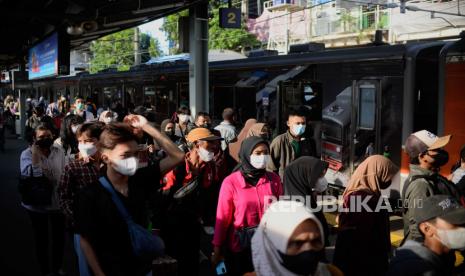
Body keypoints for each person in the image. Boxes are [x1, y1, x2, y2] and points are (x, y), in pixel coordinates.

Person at [75, 117, 184, 276]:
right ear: (106, 158)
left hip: (142, 268)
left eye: (135, 154)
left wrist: (146, 126)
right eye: (125, 155)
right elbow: (85, 240)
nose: (133, 160)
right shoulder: (90, 194)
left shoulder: (140, 180)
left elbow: (178, 156)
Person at [212, 136, 283, 276]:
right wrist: (217, 249)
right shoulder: (231, 182)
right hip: (239, 247)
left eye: (266, 153)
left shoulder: (273, 179)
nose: (263, 157)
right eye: (258, 153)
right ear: (246, 154)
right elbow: (223, 219)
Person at [160, 127, 223, 276]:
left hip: (195, 225)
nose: (215, 147)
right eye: (210, 143)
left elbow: (211, 195)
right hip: (172, 226)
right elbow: (163, 200)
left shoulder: (211, 167)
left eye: (216, 143)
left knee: (193, 264)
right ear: (196, 144)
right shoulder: (176, 167)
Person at [333, 155, 398, 276]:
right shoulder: (362, 199)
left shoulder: (363, 195)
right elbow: (360, 241)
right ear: (376, 175)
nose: (389, 181)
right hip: (364, 266)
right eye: (386, 176)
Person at [57, 121, 105, 275]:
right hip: (83, 229)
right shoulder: (73, 168)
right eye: (80, 142)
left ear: (101, 141)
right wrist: (78, 218)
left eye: (88, 141)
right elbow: (63, 198)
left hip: (109, 225)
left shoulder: (111, 166)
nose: (83, 145)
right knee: (86, 268)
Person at [20, 123, 66, 276]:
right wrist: (35, 154)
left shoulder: (59, 151)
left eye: (48, 136)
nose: (46, 139)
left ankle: (57, 267)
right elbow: (31, 176)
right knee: (42, 239)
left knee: (59, 239)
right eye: (41, 137)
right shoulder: (26, 154)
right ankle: (45, 270)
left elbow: (63, 174)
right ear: (34, 138)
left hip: (57, 202)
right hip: (36, 205)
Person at [251, 200, 343, 276]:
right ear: (272, 247)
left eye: (316, 241)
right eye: (297, 243)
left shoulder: (332, 273)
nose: (309, 249)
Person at [402, 130, 461, 243]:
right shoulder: (420, 185)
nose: (442, 152)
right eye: (436, 150)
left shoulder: (433, 177)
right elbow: (418, 229)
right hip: (429, 253)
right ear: (422, 156)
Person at [388, 195, 465, 276]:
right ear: (426, 229)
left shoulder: (444, 257)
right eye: (455, 221)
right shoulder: (418, 270)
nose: (462, 226)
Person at [283, 156, 330, 245]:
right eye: (319, 176)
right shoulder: (300, 211)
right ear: (303, 176)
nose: (322, 180)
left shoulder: (306, 199)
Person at [267, 107, 317, 179]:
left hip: (303, 185)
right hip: (284, 186)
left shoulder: (309, 142)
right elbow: (270, 169)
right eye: (297, 123)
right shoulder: (279, 141)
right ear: (288, 123)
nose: (301, 126)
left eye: (303, 123)